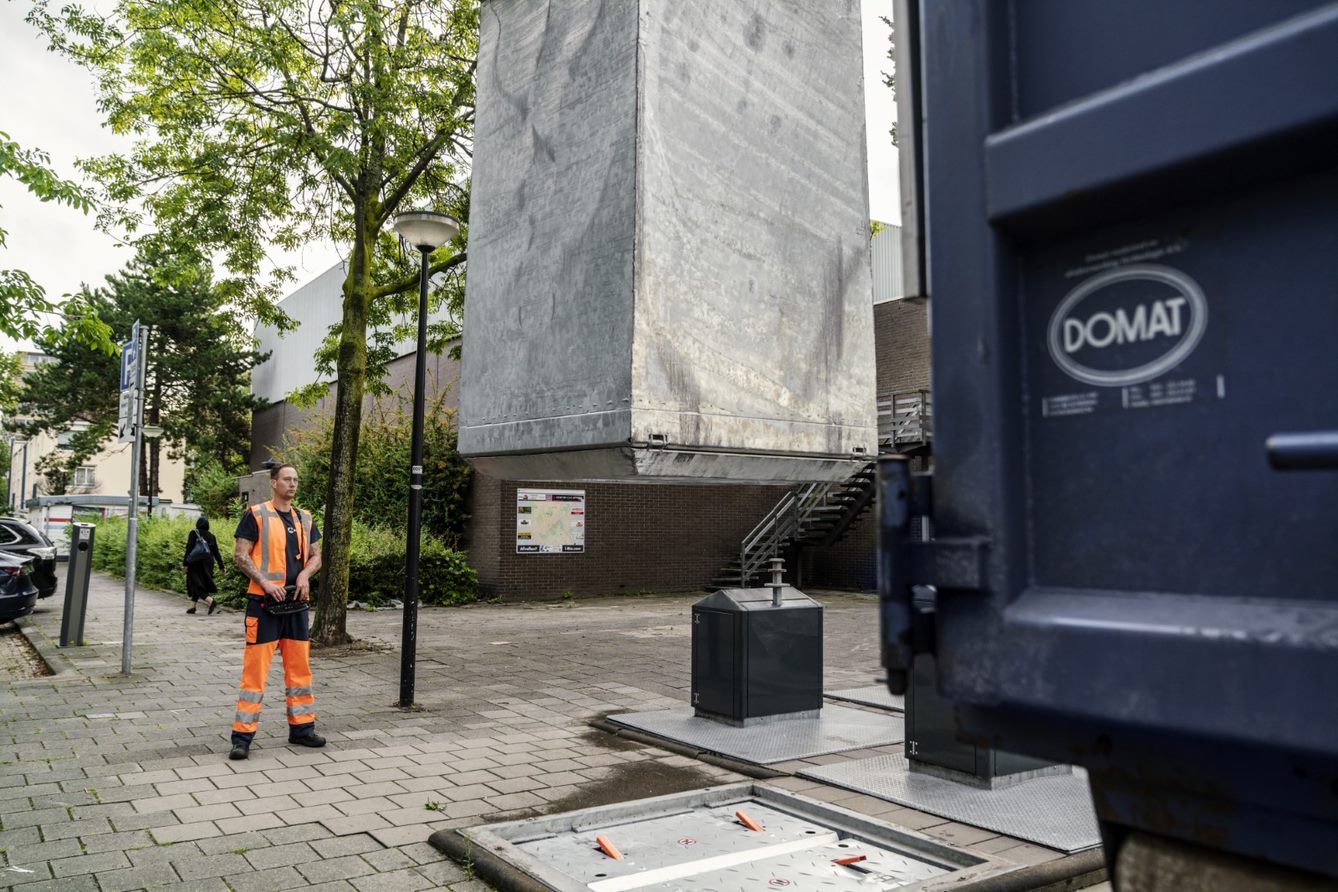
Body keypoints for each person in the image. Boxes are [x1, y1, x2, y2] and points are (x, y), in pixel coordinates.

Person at [227, 463, 325, 760]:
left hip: (296, 604)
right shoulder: (256, 514)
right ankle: (242, 738)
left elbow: (317, 556)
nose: (292, 484)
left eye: (296, 479)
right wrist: (266, 583)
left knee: (300, 669)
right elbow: (240, 555)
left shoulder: (305, 518)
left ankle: (302, 729)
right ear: (273, 483)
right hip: (263, 605)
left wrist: (306, 574)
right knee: (254, 674)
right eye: (287, 479)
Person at [182, 516, 224, 614]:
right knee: (200, 583)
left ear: (198, 524)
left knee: (194, 583)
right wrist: (221, 566)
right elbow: (216, 552)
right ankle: (192, 607)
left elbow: (189, 548)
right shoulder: (211, 536)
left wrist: (185, 563)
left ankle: (211, 601)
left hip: (196, 562)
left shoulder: (194, 533)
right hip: (209, 562)